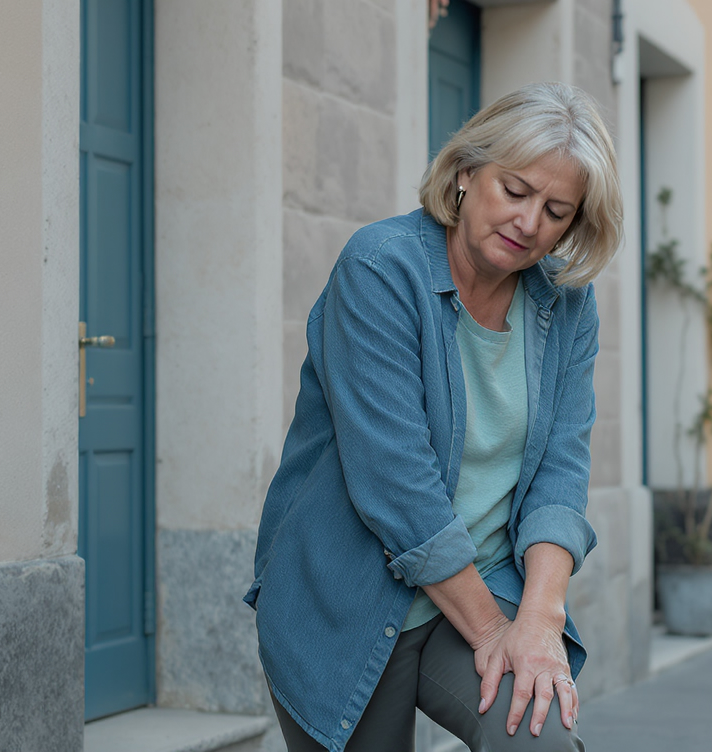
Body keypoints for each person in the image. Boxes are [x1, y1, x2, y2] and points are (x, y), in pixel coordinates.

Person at [242, 81, 623, 752]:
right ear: (466, 172)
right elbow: (397, 482)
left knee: (538, 743)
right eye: (515, 190)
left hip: (488, 585)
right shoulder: (380, 269)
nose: (529, 223)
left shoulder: (567, 305)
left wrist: (538, 620)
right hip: (348, 596)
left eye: (556, 211)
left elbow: (561, 471)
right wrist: (494, 633)